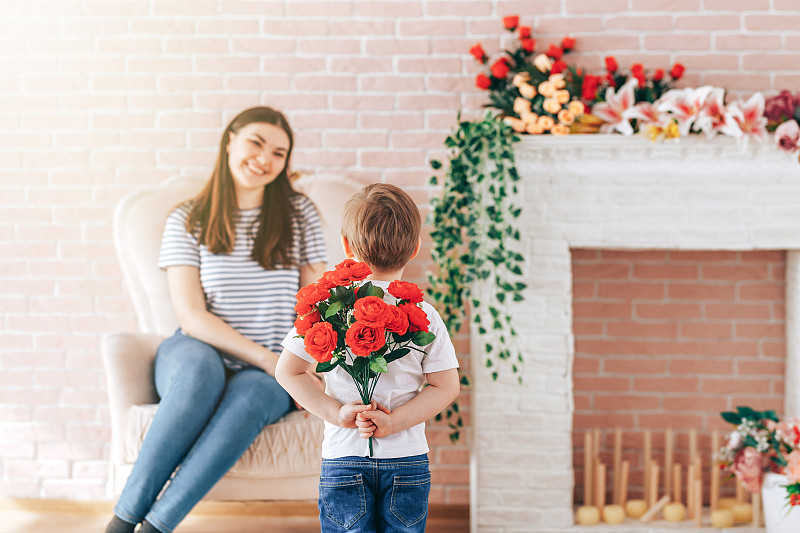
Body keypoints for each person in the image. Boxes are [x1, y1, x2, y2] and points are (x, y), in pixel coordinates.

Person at [105, 107, 327, 533]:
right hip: (196, 351)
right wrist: (268, 359)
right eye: (256, 143)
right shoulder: (188, 218)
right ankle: (120, 522)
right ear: (230, 142)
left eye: (278, 153)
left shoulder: (299, 215)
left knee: (255, 394)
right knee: (200, 373)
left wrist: (297, 365)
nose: (264, 158)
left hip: (268, 374)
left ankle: (152, 528)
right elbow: (192, 317)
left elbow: (315, 303)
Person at [276, 183, 461, 532]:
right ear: (415, 248)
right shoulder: (423, 314)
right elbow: (446, 386)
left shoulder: (329, 308)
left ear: (346, 245)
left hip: (344, 456)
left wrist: (338, 414)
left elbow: (288, 372)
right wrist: (395, 422)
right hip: (406, 460)